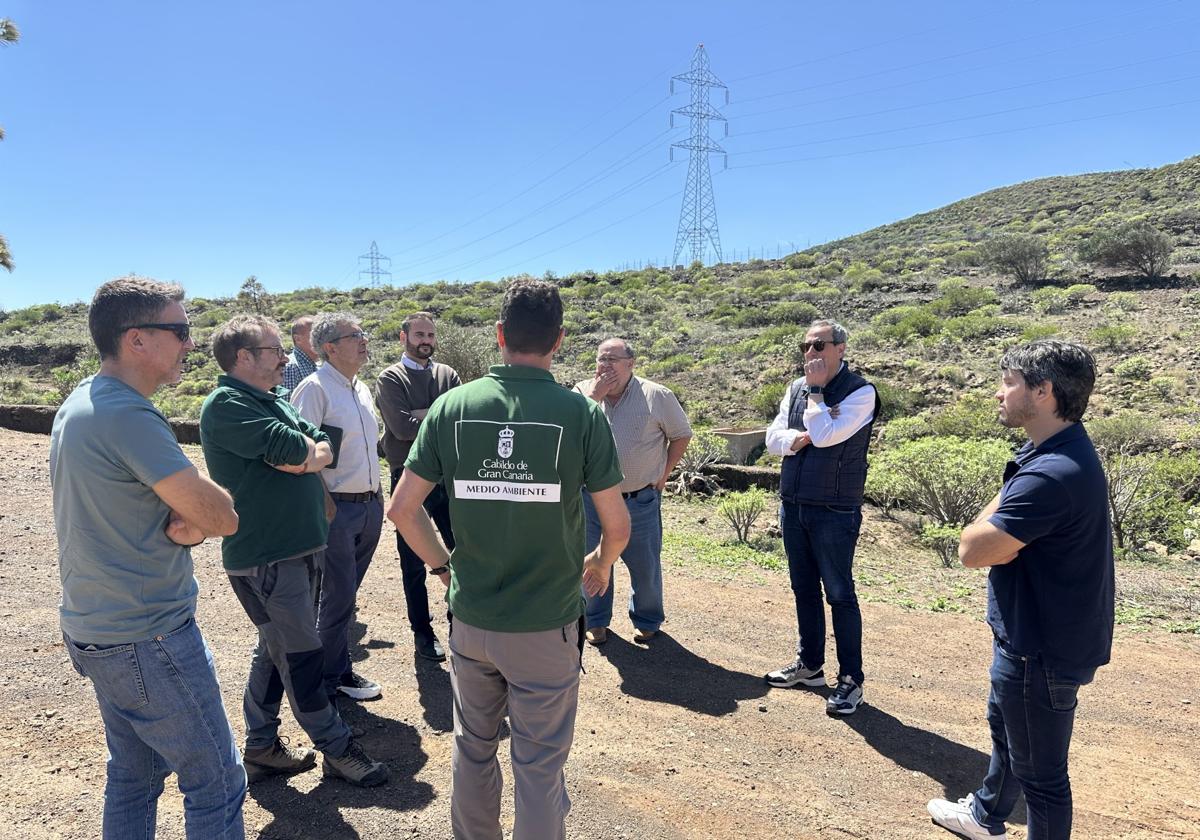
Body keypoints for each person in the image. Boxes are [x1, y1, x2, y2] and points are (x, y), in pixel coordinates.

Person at [387, 278, 630, 840]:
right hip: (547, 625)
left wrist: (446, 569)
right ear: (560, 340)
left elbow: (402, 510)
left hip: (472, 621)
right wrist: (598, 562)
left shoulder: (452, 406)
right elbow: (618, 528)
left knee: (473, 750)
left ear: (499, 335)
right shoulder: (581, 414)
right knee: (539, 768)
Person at [50, 276, 245, 838]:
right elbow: (221, 518)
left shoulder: (82, 402)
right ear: (137, 339)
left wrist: (186, 526)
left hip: (98, 629)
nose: (190, 342)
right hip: (149, 637)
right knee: (216, 783)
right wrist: (197, 524)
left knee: (134, 777)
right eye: (179, 330)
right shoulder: (129, 416)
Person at [928, 340, 1113, 840]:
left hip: (1042, 649)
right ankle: (987, 816)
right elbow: (997, 541)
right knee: (1009, 734)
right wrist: (1003, 532)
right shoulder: (1054, 448)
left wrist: (993, 532)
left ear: (1044, 391)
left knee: (1043, 778)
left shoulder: (1052, 474)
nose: (998, 393)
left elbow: (972, 550)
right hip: (1033, 634)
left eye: (1008, 382)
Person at [199, 314, 388, 788]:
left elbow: (322, 444)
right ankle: (339, 748)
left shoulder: (273, 397)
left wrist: (311, 453)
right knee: (303, 655)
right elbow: (299, 451)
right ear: (243, 357)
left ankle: (261, 746)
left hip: (299, 547)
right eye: (274, 350)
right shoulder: (227, 405)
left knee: (276, 648)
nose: (285, 358)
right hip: (267, 556)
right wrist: (311, 453)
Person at [763, 318, 880, 716]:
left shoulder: (861, 392)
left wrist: (815, 396)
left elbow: (829, 435)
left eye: (819, 346)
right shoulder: (794, 388)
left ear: (840, 349)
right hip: (794, 503)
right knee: (803, 589)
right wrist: (796, 439)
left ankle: (851, 680)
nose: (811, 354)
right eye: (806, 347)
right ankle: (810, 666)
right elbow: (772, 438)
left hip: (834, 509)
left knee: (840, 594)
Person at [291, 313, 385, 702]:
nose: (364, 340)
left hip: (369, 505)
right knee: (337, 597)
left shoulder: (360, 388)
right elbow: (298, 454)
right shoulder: (314, 389)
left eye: (363, 332)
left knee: (346, 595)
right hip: (337, 510)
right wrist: (324, 503)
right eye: (354, 336)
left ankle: (333, 672)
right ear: (330, 347)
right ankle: (331, 681)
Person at [573, 337, 691, 645]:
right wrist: (593, 398)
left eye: (613, 360)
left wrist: (664, 474)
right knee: (594, 561)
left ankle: (647, 619)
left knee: (646, 565)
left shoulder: (656, 395)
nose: (606, 366)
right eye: (601, 359)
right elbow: (569, 434)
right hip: (591, 500)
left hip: (639, 499)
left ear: (631, 364)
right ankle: (596, 620)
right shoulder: (581, 393)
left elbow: (681, 435)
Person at [375, 311, 461, 662]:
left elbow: (460, 420)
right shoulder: (390, 378)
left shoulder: (448, 374)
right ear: (403, 337)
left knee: (462, 552)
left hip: (447, 477)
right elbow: (401, 428)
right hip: (407, 475)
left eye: (430, 334)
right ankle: (422, 633)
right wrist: (436, 414)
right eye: (419, 334)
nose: (425, 340)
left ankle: (461, 621)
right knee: (412, 560)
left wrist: (423, 414)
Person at [282, 315, 318, 394]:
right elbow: (287, 404)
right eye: (314, 334)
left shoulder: (316, 365)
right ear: (298, 339)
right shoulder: (291, 368)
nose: (320, 338)